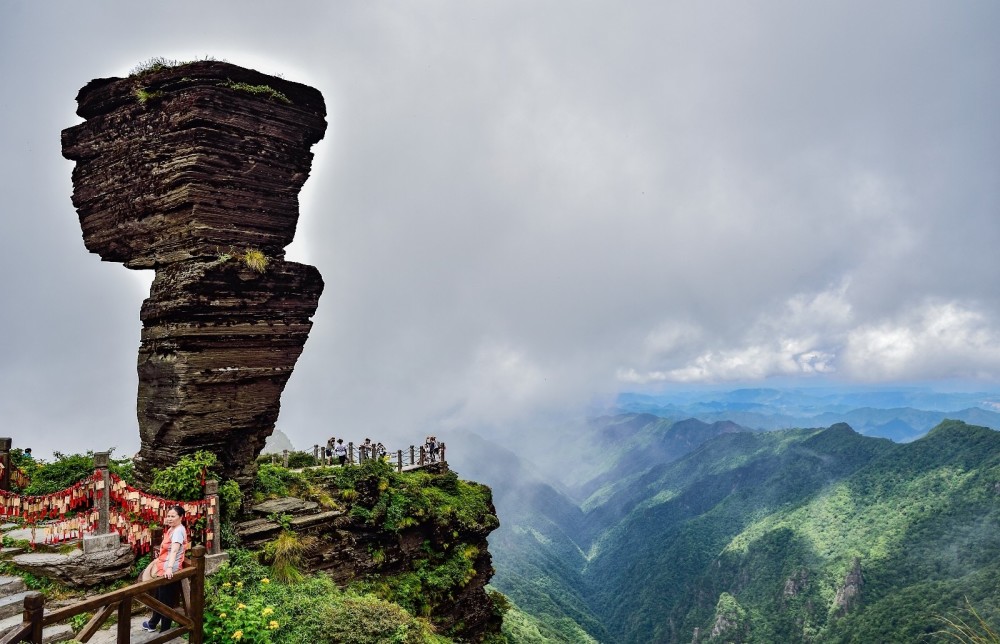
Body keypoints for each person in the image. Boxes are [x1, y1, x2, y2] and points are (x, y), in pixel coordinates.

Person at [141, 505, 188, 633]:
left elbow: (174, 551)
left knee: (165, 601)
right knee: (159, 597)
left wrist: (169, 569)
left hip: (169, 570)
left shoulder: (178, 531)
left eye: (173, 516)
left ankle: (165, 631)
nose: (170, 518)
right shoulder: (172, 529)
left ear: (181, 517)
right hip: (164, 567)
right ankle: (152, 623)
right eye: (168, 516)